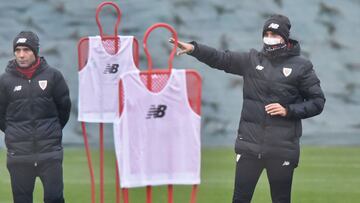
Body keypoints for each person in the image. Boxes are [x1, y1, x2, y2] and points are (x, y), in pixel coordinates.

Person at [170, 14, 325, 203]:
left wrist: (288, 110)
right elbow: (221, 58)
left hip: (282, 149)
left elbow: (317, 102)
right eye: (267, 33)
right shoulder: (252, 60)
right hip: (249, 147)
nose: (270, 37)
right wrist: (195, 49)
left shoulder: (302, 66)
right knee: (240, 199)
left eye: (274, 34)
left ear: (285, 38)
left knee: (281, 199)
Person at [0, 31, 71, 203]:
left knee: (54, 199)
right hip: (19, 155)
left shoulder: (53, 76)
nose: (21, 55)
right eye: (18, 50)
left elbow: (64, 109)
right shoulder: (4, 81)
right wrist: (14, 133)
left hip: (50, 153)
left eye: (26, 50)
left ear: (35, 51)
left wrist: (51, 130)